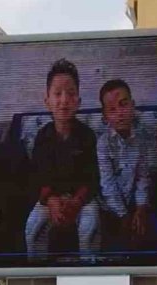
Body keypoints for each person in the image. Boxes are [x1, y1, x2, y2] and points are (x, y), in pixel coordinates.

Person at [24, 58, 101, 261]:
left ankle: (91, 270)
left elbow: (92, 178)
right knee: (32, 229)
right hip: (52, 198)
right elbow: (37, 176)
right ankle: (36, 273)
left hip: (81, 199)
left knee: (89, 225)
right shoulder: (42, 136)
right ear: (47, 101)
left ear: (79, 101)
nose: (64, 100)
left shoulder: (87, 136)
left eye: (71, 93)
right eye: (57, 94)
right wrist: (51, 201)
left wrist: (76, 202)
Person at [96, 79, 157, 251]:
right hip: (109, 207)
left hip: (134, 201)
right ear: (105, 117)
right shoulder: (103, 144)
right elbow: (107, 185)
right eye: (112, 109)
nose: (120, 113)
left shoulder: (141, 140)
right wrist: (124, 216)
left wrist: (140, 208)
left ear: (133, 106)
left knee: (151, 232)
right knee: (115, 242)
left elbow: (142, 177)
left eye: (123, 105)